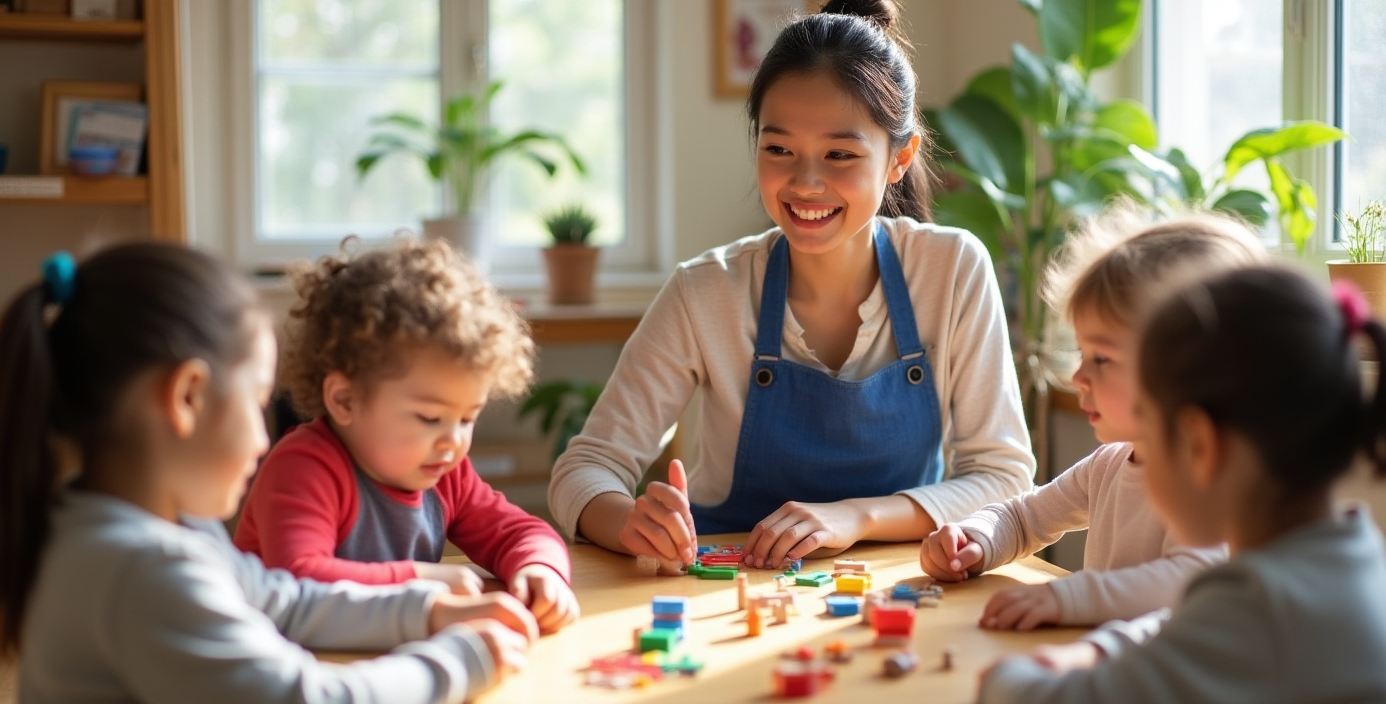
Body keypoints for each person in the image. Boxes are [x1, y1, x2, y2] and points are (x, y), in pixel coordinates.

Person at [548, 0, 1034, 571]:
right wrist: (629, 521)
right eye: (778, 149)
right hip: (726, 589)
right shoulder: (705, 292)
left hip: (898, 588)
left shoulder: (952, 271)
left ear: (899, 158)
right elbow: (584, 469)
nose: (806, 184)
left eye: (840, 154)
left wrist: (855, 518)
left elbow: (1003, 479)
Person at [0, 244, 538, 703]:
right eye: (255, 402)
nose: (263, 438)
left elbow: (283, 599)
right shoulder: (143, 569)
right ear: (188, 398)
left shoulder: (143, 526)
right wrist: (463, 658)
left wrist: (428, 610)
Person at [978, 266, 1386, 702]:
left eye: (1149, 428)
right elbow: (1194, 626)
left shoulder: (1263, 609)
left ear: (1199, 445)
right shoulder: (1349, 557)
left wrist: (1005, 677)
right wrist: (1101, 649)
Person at [920, 210, 1265, 629]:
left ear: (1191, 368)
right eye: (1083, 354)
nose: (1077, 376)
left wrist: (1066, 596)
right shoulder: (1108, 466)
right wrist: (974, 538)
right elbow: (1023, 518)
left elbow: (1186, 580)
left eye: (1101, 358)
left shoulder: (1210, 480)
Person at [234, 239, 578, 634]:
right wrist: (422, 578)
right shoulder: (303, 468)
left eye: (467, 418)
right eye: (430, 417)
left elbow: (522, 531)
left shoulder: (445, 471)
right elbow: (297, 581)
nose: (453, 440)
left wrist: (540, 568)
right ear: (345, 399)